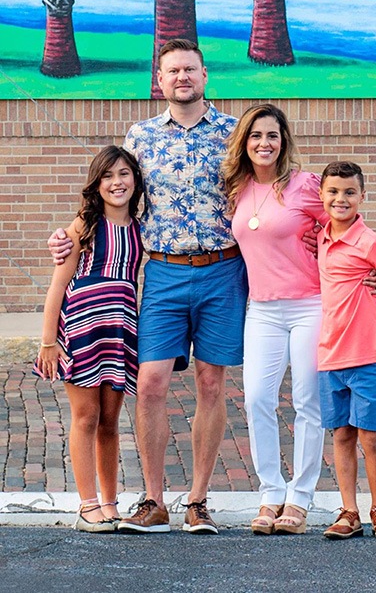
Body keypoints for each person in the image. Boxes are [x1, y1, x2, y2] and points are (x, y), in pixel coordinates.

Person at [48, 39, 249, 534]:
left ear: (205, 76)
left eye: (190, 69)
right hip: (161, 274)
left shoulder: (232, 134)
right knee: (151, 383)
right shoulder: (140, 137)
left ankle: (198, 500)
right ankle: (154, 500)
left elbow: (266, 189)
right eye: (172, 71)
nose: (182, 77)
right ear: (159, 81)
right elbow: (110, 193)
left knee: (210, 382)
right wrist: (69, 232)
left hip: (223, 270)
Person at [223, 104, 328, 535]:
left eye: (272, 135)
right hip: (262, 309)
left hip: (310, 306)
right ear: (244, 143)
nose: (264, 143)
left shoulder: (306, 185)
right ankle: (270, 492)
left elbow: (342, 228)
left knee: (308, 402)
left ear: (283, 141)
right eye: (255, 136)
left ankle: (300, 498)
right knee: (257, 400)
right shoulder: (237, 188)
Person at [34, 145, 143, 533]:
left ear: (135, 179)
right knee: (86, 416)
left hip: (120, 331)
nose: (117, 183)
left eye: (124, 174)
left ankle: (111, 502)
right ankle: (87, 504)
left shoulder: (139, 227)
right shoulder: (83, 225)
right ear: (96, 184)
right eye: (108, 176)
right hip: (82, 329)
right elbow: (58, 284)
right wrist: (50, 341)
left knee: (112, 421)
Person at [317, 161, 376, 540]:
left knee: (371, 435)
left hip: (370, 356)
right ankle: (349, 511)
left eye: (350, 192)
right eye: (333, 192)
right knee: (341, 435)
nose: (341, 199)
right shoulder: (321, 237)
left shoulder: (371, 242)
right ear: (322, 195)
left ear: (362, 197)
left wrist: (374, 315)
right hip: (330, 356)